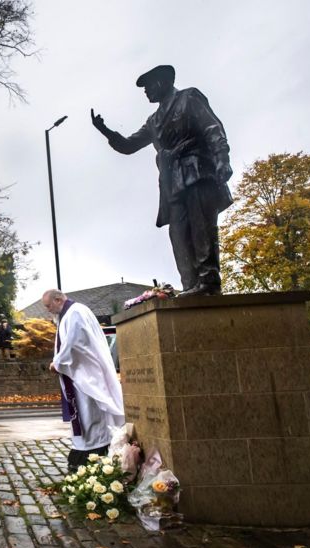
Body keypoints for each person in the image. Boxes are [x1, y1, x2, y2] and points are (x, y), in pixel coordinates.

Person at [91, 65, 233, 296]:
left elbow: (212, 127)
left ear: (164, 81)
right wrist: (104, 130)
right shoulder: (154, 120)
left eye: (148, 85)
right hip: (172, 184)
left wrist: (222, 159)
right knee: (178, 234)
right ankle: (190, 284)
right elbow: (129, 145)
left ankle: (208, 282)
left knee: (202, 229)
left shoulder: (189, 97)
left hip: (197, 172)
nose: (146, 91)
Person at [41, 289, 125, 472]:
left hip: (86, 375)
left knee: (91, 414)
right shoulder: (69, 313)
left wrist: (58, 363)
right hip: (79, 375)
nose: (47, 310)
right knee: (86, 416)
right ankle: (85, 452)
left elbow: (74, 343)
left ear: (58, 299)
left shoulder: (75, 312)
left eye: (48, 305)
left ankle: (94, 455)